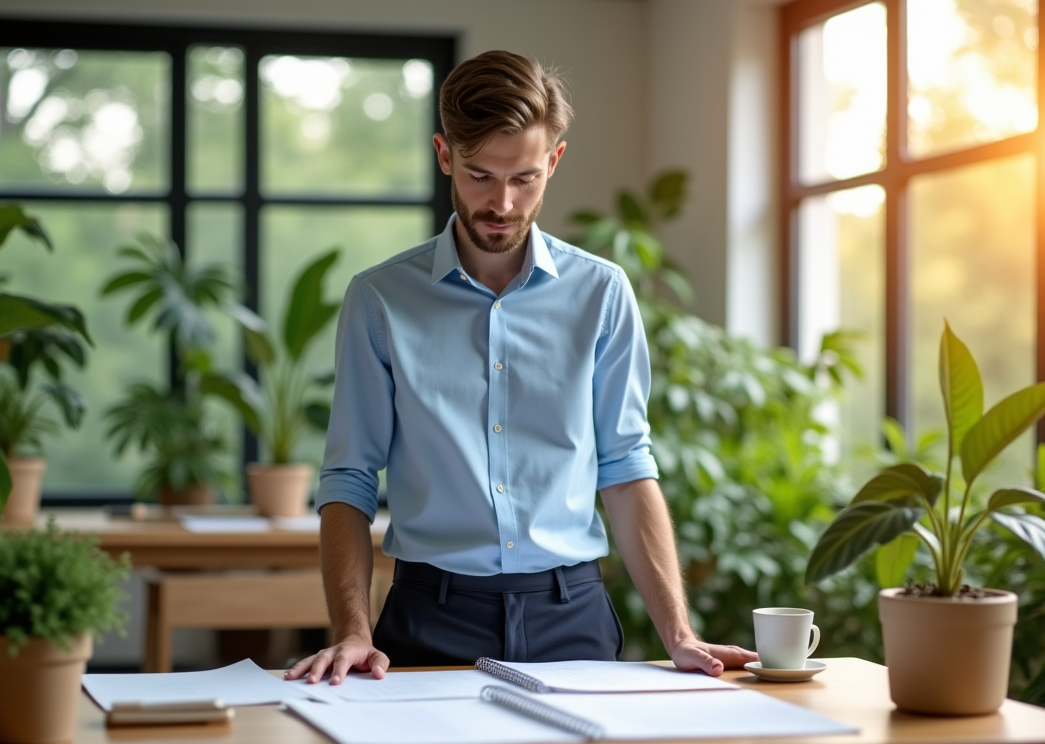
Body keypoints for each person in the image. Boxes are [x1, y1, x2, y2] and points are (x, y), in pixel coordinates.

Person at [285, 50, 757, 685]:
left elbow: (625, 464)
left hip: (573, 615)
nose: (502, 203)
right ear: (445, 154)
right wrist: (352, 631)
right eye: (480, 175)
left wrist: (679, 632)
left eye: (525, 179)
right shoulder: (380, 300)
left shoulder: (603, 293)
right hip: (429, 616)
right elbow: (349, 477)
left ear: (554, 161)